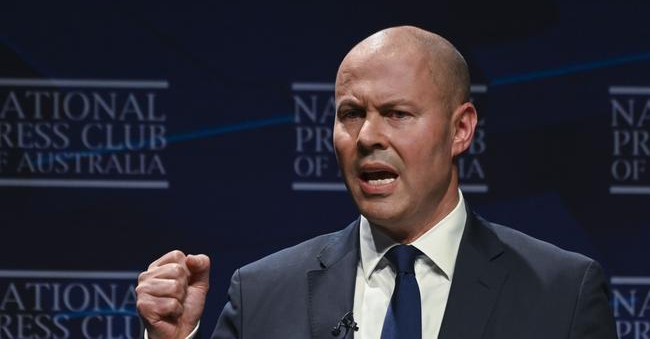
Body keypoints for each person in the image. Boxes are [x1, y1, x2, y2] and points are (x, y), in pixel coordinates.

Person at [135, 26, 618, 339]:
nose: (367, 137)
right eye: (351, 114)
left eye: (397, 114)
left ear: (461, 129)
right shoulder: (262, 293)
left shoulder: (561, 294)